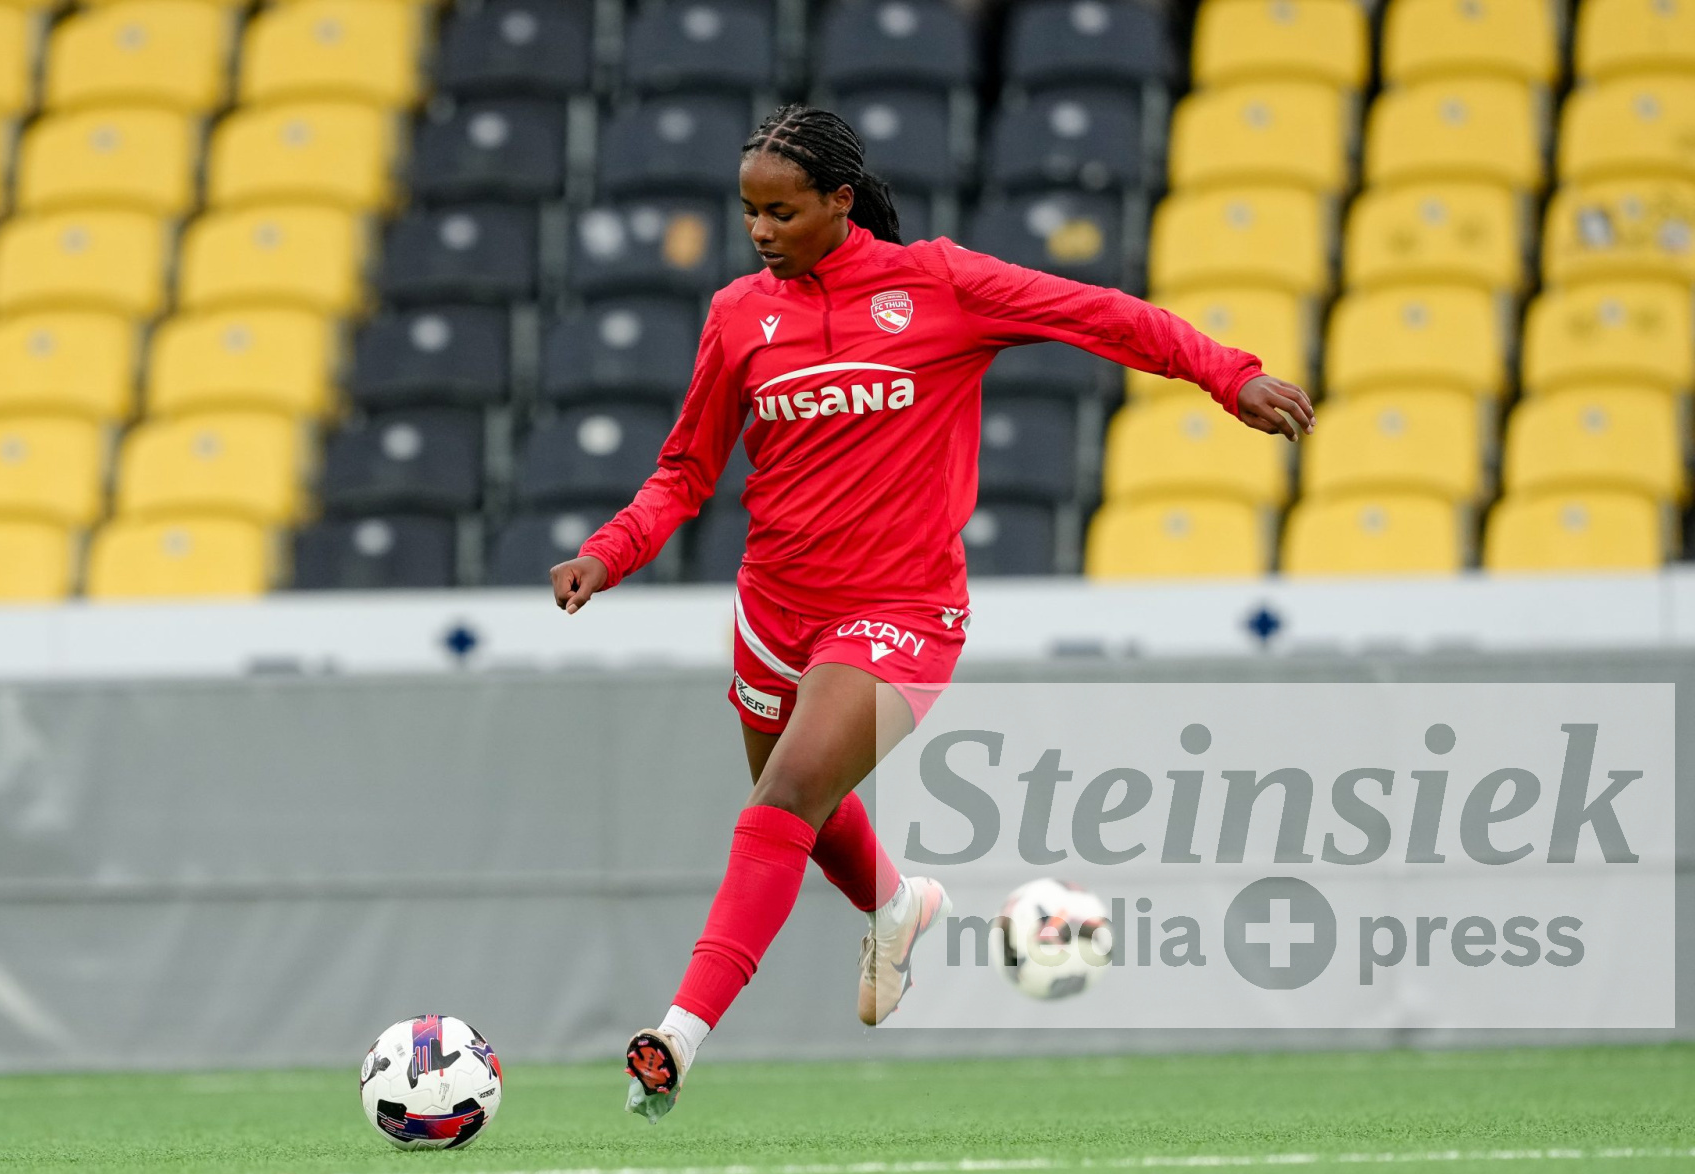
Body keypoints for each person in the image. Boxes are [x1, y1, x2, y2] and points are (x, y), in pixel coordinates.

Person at [547, 105, 1316, 1121]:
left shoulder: (940, 284)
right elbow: (685, 470)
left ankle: (676, 1037)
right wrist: (607, 552)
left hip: (898, 609)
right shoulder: (737, 314)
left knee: (784, 797)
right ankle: (897, 904)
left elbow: (1101, 315)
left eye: (781, 212)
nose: (761, 232)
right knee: (804, 804)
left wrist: (1229, 374)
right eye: (748, 213)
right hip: (772, 609)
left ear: (840, 200)